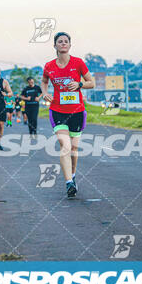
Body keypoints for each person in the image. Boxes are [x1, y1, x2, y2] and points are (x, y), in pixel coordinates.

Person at [41, 31, 94, 197]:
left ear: (70, 45)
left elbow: (91, 83)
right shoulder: (49, 66)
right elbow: (44, 81)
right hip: (57, 111)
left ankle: (72, 174)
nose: (63, 43)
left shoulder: (78, 63)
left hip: (77, 111)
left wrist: (79, 84)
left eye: (66, 41)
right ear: (55, 46)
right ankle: (69, 183)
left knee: (74, 149)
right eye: (60, 41)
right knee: (65, 146)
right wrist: (44, 93)